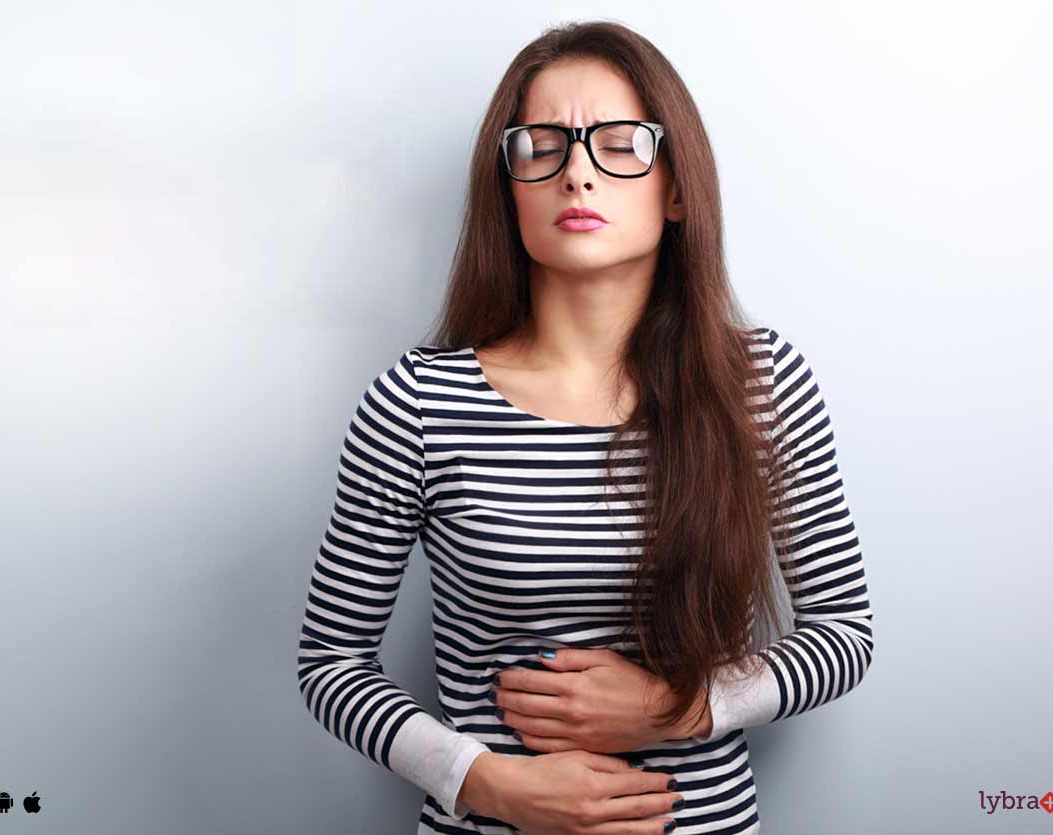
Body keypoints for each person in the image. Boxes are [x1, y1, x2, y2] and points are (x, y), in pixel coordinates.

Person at [296, 20, 874, 835]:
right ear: (509, 191)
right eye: (542, 147)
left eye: (619, 143)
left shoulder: (760, 385)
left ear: (677, 189)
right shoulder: (417, 402)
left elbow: (843, 634)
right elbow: (331, 663)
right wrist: (487, 782)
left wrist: (681, 706)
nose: (577, 172)